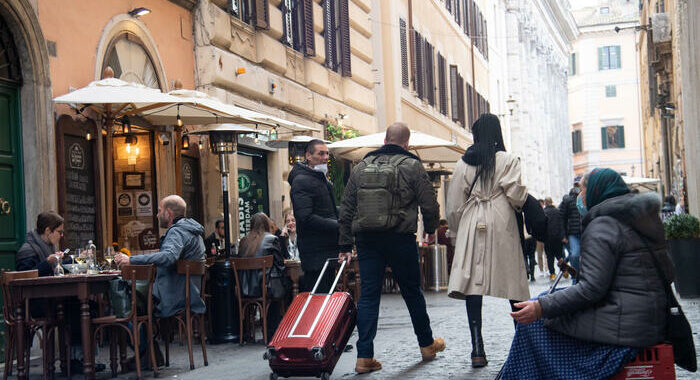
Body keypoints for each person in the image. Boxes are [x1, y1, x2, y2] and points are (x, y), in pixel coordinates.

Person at [503, 168, 674, 379]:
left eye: (582, 190)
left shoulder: (603, 225)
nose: (579, 197)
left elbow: (591, 289)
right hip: (650, 321)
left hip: (626, 331)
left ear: (596, 191)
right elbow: (668, 274)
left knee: (533, 322)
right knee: (543, 303)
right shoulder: (643, 220)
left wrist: (541, 307)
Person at [339, 122, 444, 374]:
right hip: (400, 238)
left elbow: (346, 207)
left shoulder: (361, 167)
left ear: (384, 139)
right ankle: (427, 345)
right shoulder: (412, 165)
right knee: (412, 292)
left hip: (366, 239)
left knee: (369, 296)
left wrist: (344, 243)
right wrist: (430, 228)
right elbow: (429, 204)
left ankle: (364, 356)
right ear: (407, 143)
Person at [446, 113, 528, 368]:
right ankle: (523, 346)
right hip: (502, 222)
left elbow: (453, 204)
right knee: (513, 283)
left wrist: (456, 232)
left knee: (472, 284)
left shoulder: (463, 162)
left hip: (472, 220)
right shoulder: (509, 160)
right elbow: (516, 195)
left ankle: (477, 349)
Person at [114, 195, 205, 318]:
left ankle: (131, 332)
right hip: (191, 295)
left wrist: (131, 260)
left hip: (173, 298)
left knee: (122, 288)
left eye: (159, 210)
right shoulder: (193, 231)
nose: (157, 215)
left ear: (168, 213)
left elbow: (168, 256)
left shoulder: (177, 231)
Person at [288, 139, 339, 293]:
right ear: (308, 156)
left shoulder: (320, 178)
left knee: (327, 299)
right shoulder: (302, 181)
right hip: (315, 253)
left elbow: (326, 209)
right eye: (321, 153)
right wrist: (338, 224)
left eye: (327, 154)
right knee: (319, 298)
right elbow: (306, 217)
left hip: (327, 250)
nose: (325, 157)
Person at [238, 213, 287, 339]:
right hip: (265, 288)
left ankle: (248, 333)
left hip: (244, 288)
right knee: (287, 286)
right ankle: (275, 330)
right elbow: (280, 264)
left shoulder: (243, 241)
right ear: (266, 224)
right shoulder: (271, 239)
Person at [16, 211, 65, 276]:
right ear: (48, 230)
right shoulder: (27, 250)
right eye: (60, 232)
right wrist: (48, 262)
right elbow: (24, 276)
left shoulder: (49, 246)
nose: (62, 235)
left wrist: (77, 258)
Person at [559, 186, 582, 283]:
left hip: (586, 232)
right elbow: (561, 218)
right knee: (575, 254)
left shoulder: (586, 198)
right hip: (573, 233)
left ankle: (563, 263)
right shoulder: (568, 200)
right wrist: (563, 235)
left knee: (578, 254)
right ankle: (575, 278)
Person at [543, 197, 565, 281]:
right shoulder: (557, 211)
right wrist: (563, 236)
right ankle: (564, 270)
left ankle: (552, 274)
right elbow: (561, 224)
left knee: (550, 257)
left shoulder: (543, 212)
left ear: (545, 203)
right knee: (559, 255)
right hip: (557, 238)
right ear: (551, 202)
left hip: (547, 238)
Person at [536, 199, 546, 276]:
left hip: (545, 236)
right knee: (539, 254)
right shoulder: (535, 213)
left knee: (546, 254)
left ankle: (547, 268)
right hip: (538, 237)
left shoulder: (546, 212)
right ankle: (541, 269)